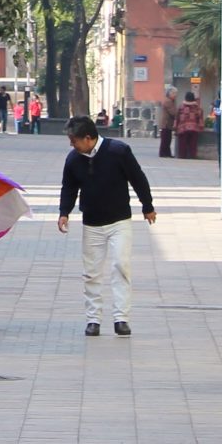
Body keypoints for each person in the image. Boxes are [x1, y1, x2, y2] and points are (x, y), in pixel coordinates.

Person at [56, 113, 156, 337]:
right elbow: (69, 187)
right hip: (92, 224)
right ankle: (93, 320)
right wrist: (64, 212)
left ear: (88, 137)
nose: (71, 144)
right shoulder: (73, 159)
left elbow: (138, 178)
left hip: (120, 221)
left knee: (121, 265)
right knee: (91, 273)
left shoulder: (118, 151)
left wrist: (147, 206)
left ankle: (121, 318)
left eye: (74, 140)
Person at [174, 90, 206, 161]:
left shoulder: (181, 106)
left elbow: (177, 117)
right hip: (194, 128)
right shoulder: (197, 107)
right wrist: (201, 126)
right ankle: (192, 155)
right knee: (193, 143)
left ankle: (182, 155)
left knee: (182, 143)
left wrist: (175, 127)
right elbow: (200, 118)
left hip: (183, 128)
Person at [158, 85, 178, 157]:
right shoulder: (168, 101)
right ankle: (163, 153)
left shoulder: (171, 101)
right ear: (169, 93)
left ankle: (167, 153)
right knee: (165, 140)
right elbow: (173, 112)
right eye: (174, 93)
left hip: (168, 124)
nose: (176, 95)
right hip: (166, 124)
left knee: (167, 139)